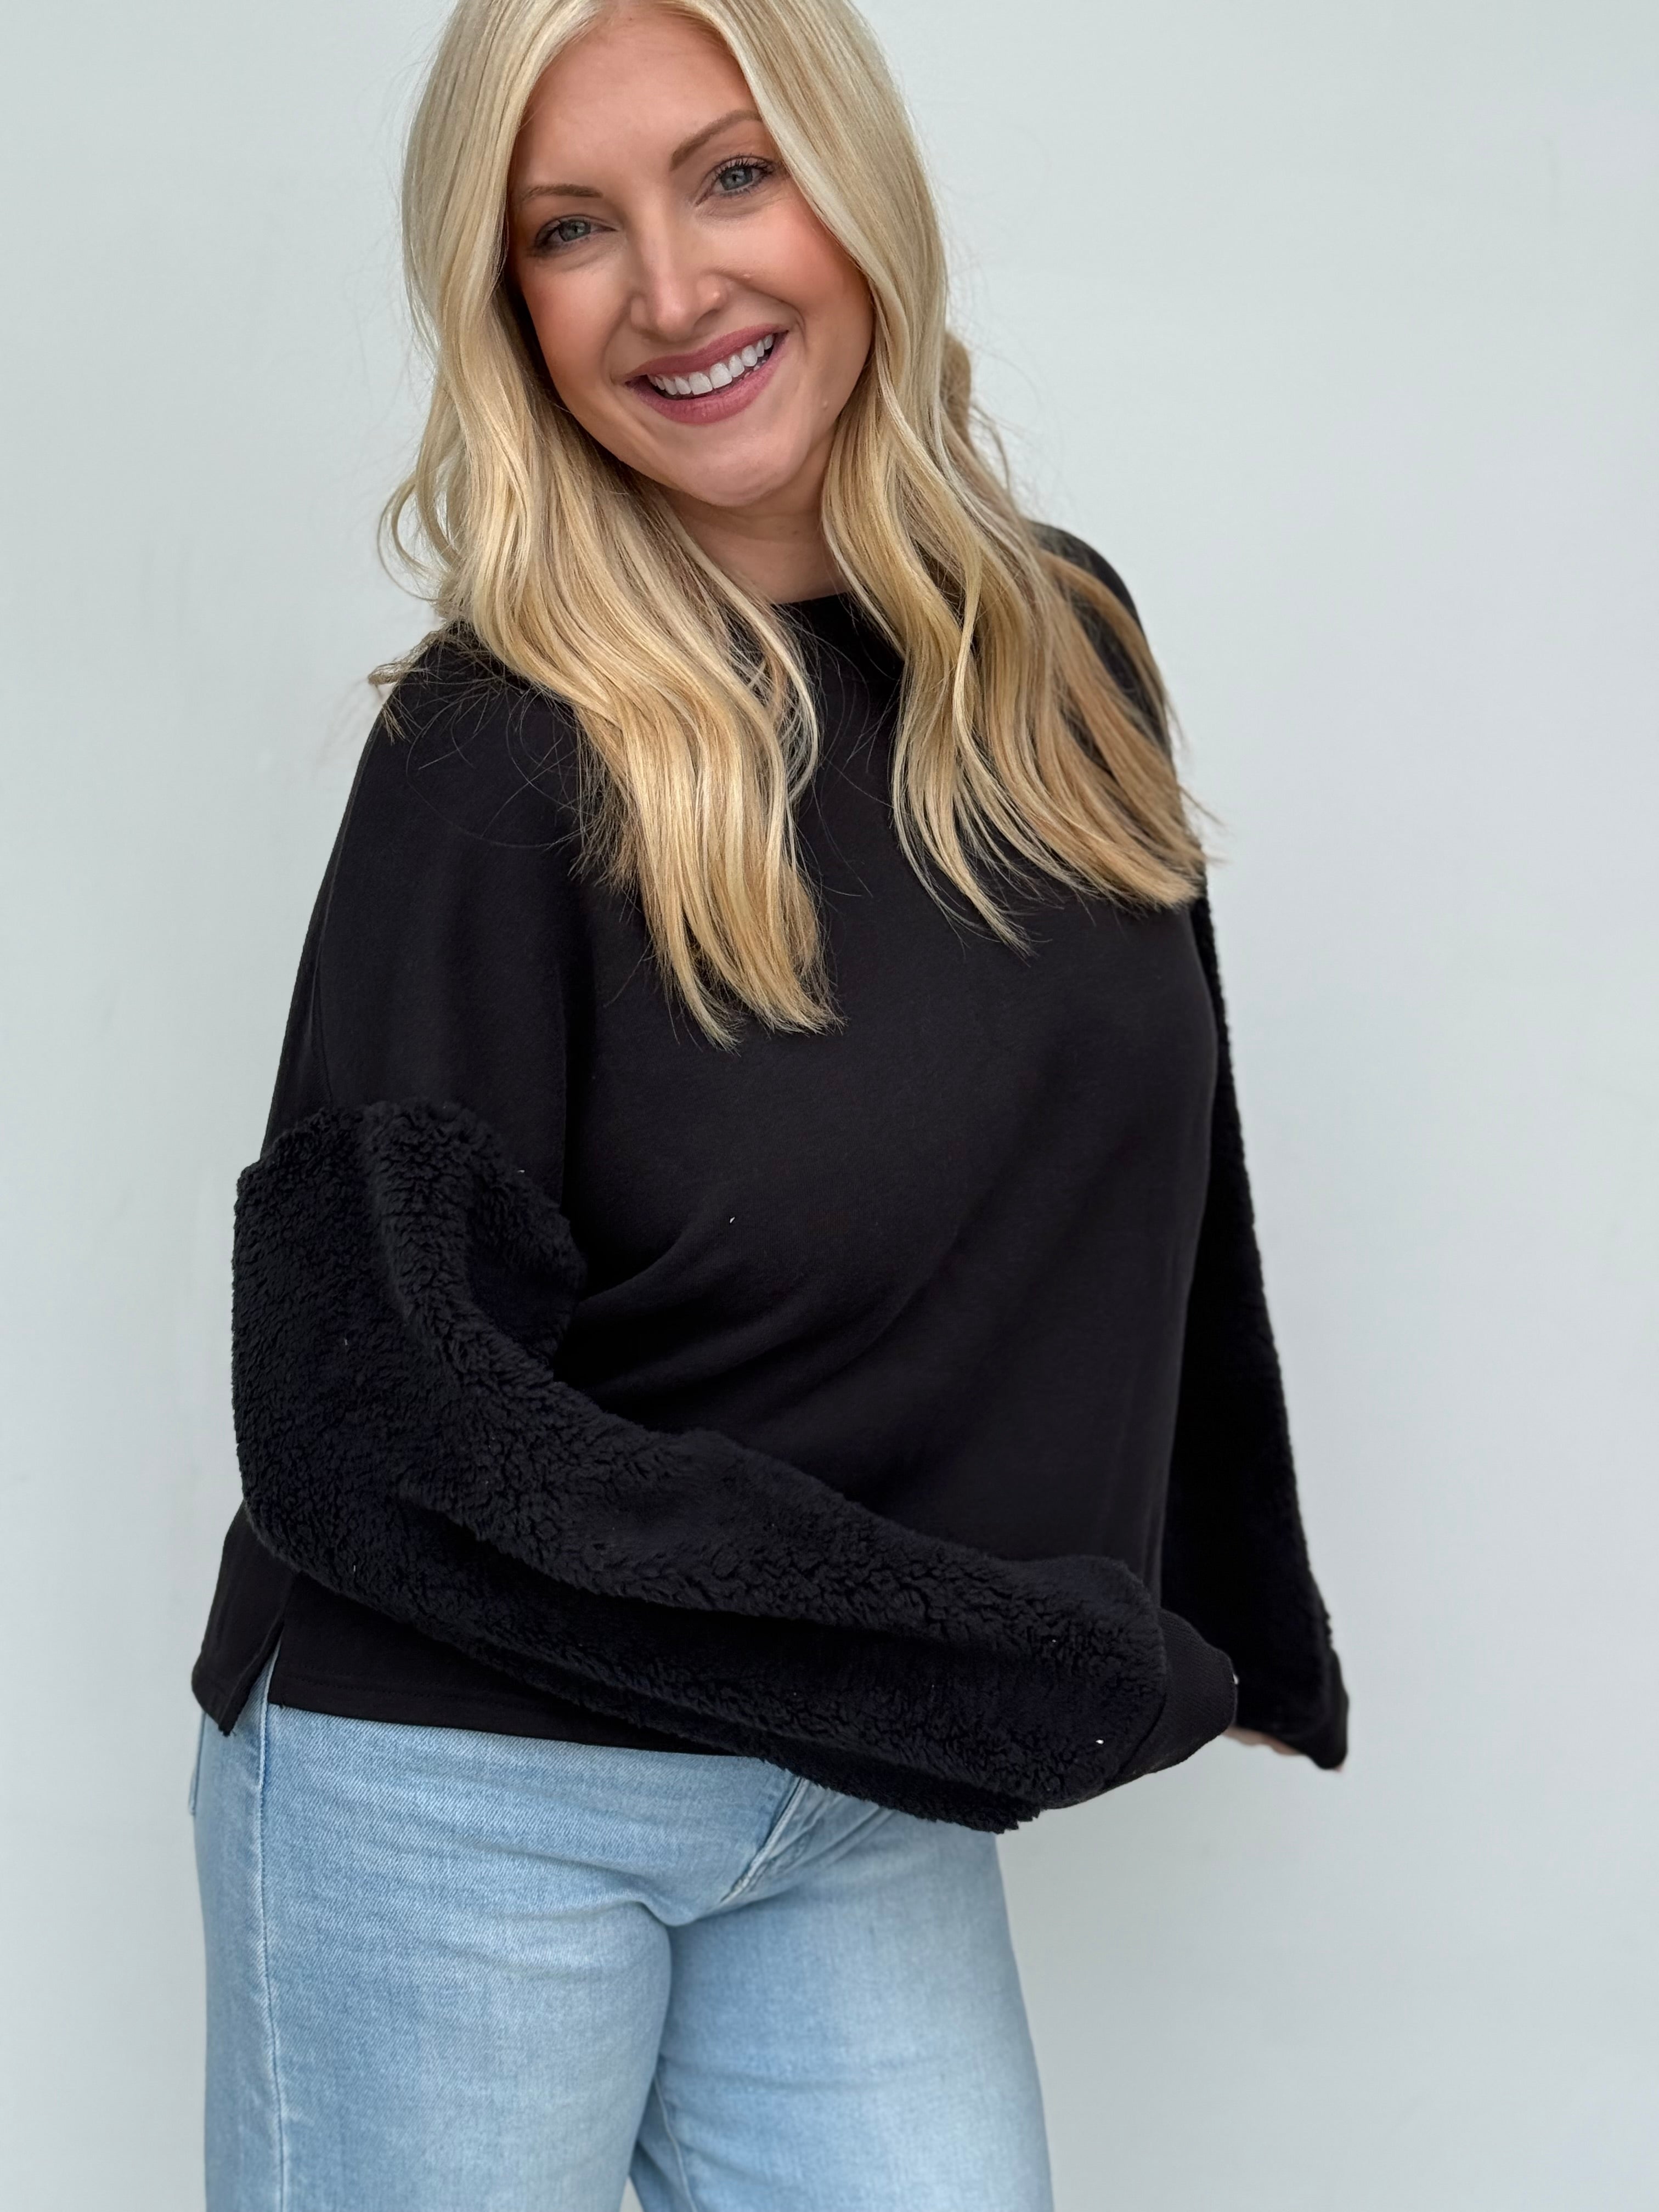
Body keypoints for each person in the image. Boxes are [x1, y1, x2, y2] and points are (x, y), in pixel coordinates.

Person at [189, 0, 1347, 2205]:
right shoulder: (493, 748)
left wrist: (1223, 1627)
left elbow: (1166, 1205)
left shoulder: (1059, 651)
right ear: (511, 309)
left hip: (852, 1778)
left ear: (853, 185)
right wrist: (995, 1658)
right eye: (571, 230)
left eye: (735, 175)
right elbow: (365, 1409)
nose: (674, 287)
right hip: (465, 1790)